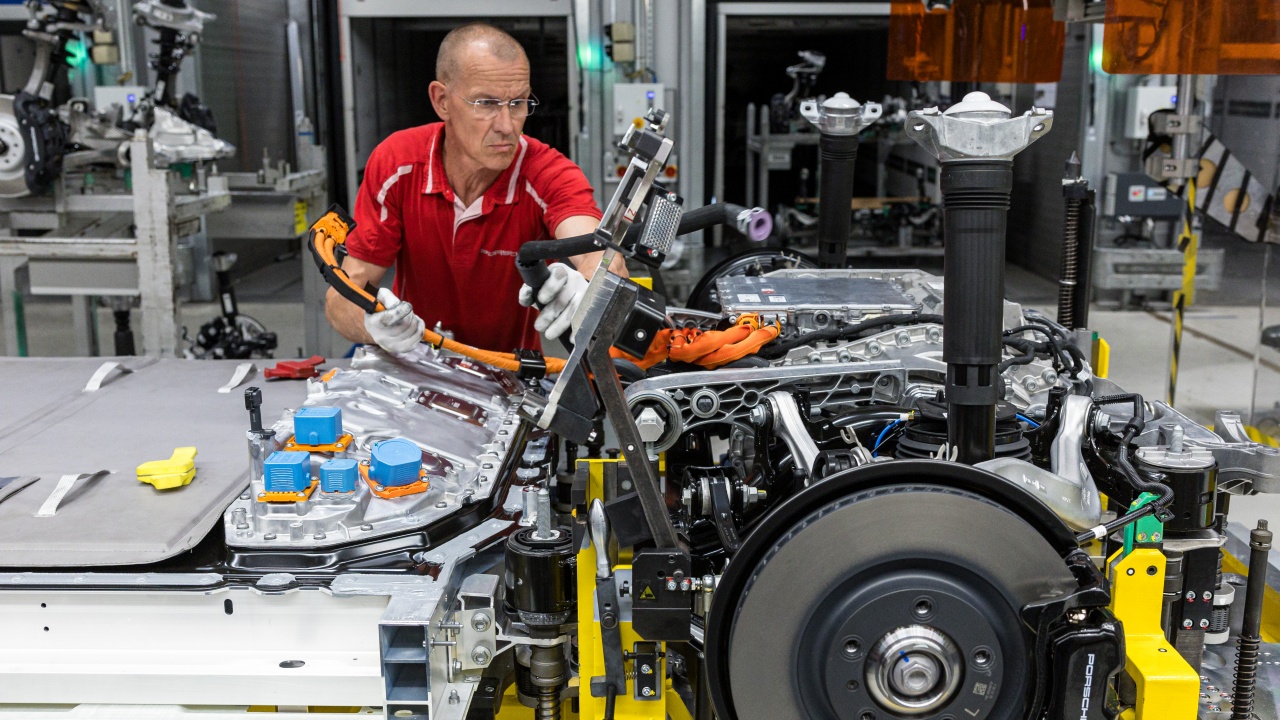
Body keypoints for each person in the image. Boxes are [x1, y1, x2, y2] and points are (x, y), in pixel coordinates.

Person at [325, 22, 624, 355]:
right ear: (442, 101)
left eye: (518, 103)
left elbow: (599, 253)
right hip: (413, 364)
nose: (507, 126)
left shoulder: (546, 173)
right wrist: (371, 326)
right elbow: (344, 293)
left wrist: (589, 288)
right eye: (486, 103)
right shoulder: (398, 163)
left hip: (508, 373)